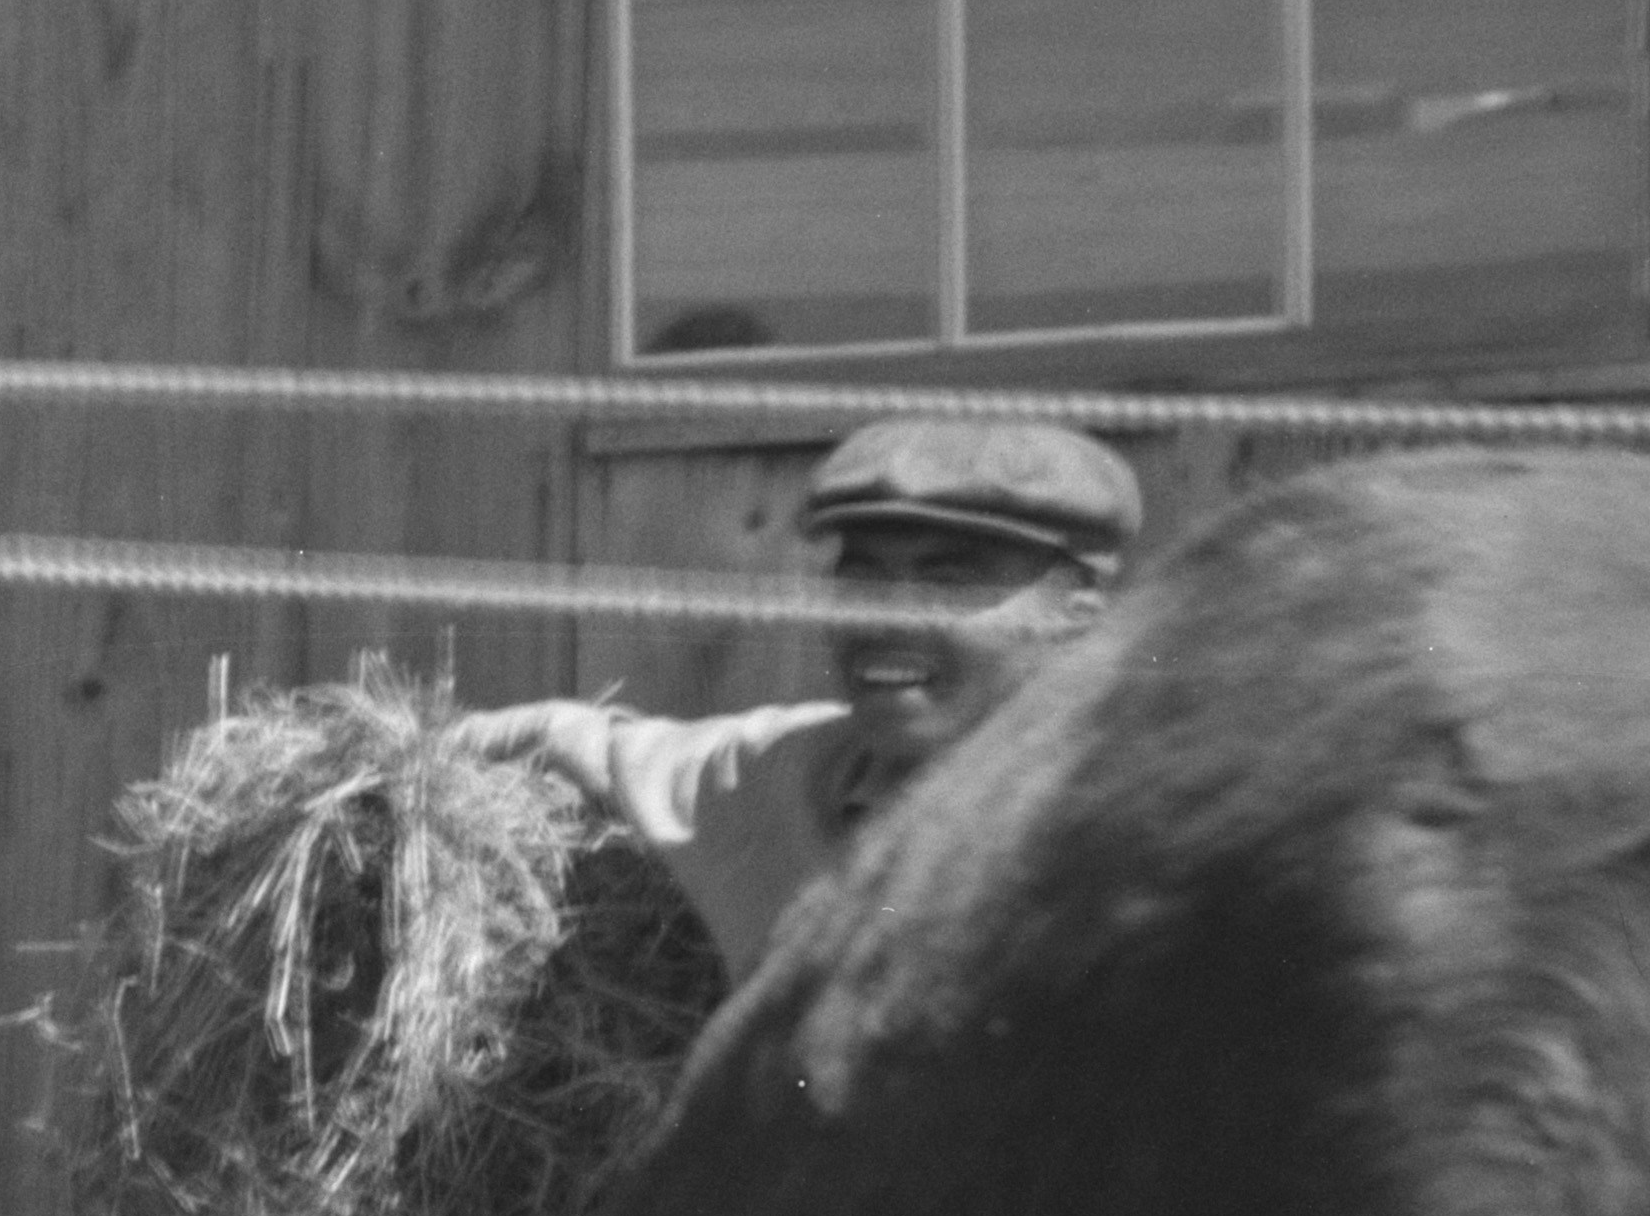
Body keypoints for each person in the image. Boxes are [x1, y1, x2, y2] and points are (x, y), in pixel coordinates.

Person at [453, 409, 1143, 978]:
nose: (885, 617)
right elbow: (582, 743)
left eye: (949, 581)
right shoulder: (800, 773)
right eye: (863, 577)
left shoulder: (1132, 834)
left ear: (1078, 609)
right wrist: (375, 752)